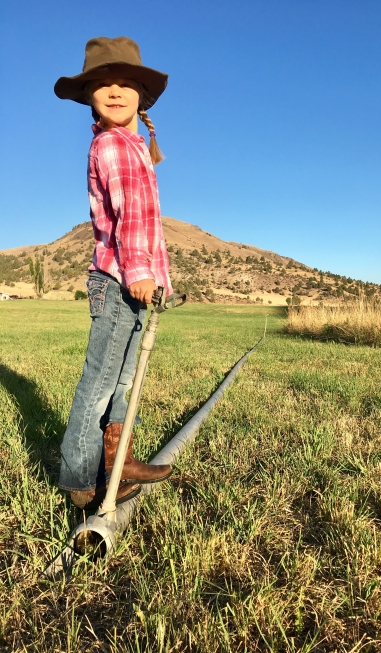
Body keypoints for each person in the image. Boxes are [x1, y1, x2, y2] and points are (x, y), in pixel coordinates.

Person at [54, 36, 174, 509]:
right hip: (119, 278)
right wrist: (143, 271)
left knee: (121, 380)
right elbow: (127, 216)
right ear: (90, 96)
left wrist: (156, 275)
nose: (117, 89)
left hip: (134, 280)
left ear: (141, 95)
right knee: (101, 381)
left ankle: (116, 459)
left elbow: (147, 221)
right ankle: (81, 480)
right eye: (104, 83)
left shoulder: (133, 145)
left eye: (127, 82)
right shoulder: (112, 146)